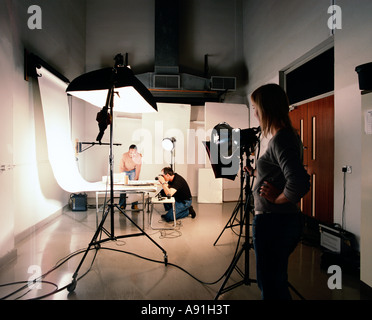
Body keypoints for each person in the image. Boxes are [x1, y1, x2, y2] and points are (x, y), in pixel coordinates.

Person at [245, 83, 310, 300]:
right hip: (278, 222)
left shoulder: (282, 139)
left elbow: (299, 182)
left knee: (271, 286)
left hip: (275, 222)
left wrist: (279, 198)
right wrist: (256, 173)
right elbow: (280, 174)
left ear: (266, 109)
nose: (254, 113)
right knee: (276, 282)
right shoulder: (285, 136)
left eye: (255, 107)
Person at [118, 144, 142, 210]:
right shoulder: (124, 155)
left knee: (134, 187)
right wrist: (122, 176)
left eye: (134, 153)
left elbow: (138, 167)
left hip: (133, 171)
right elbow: (121, 166)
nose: (132, 154)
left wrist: (136, 177)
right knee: (123, 188)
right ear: (129, 151)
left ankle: (134, 205)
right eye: (130, 152)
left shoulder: (138, 156)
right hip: (125, 170)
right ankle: (122, 205)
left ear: (136, 152)